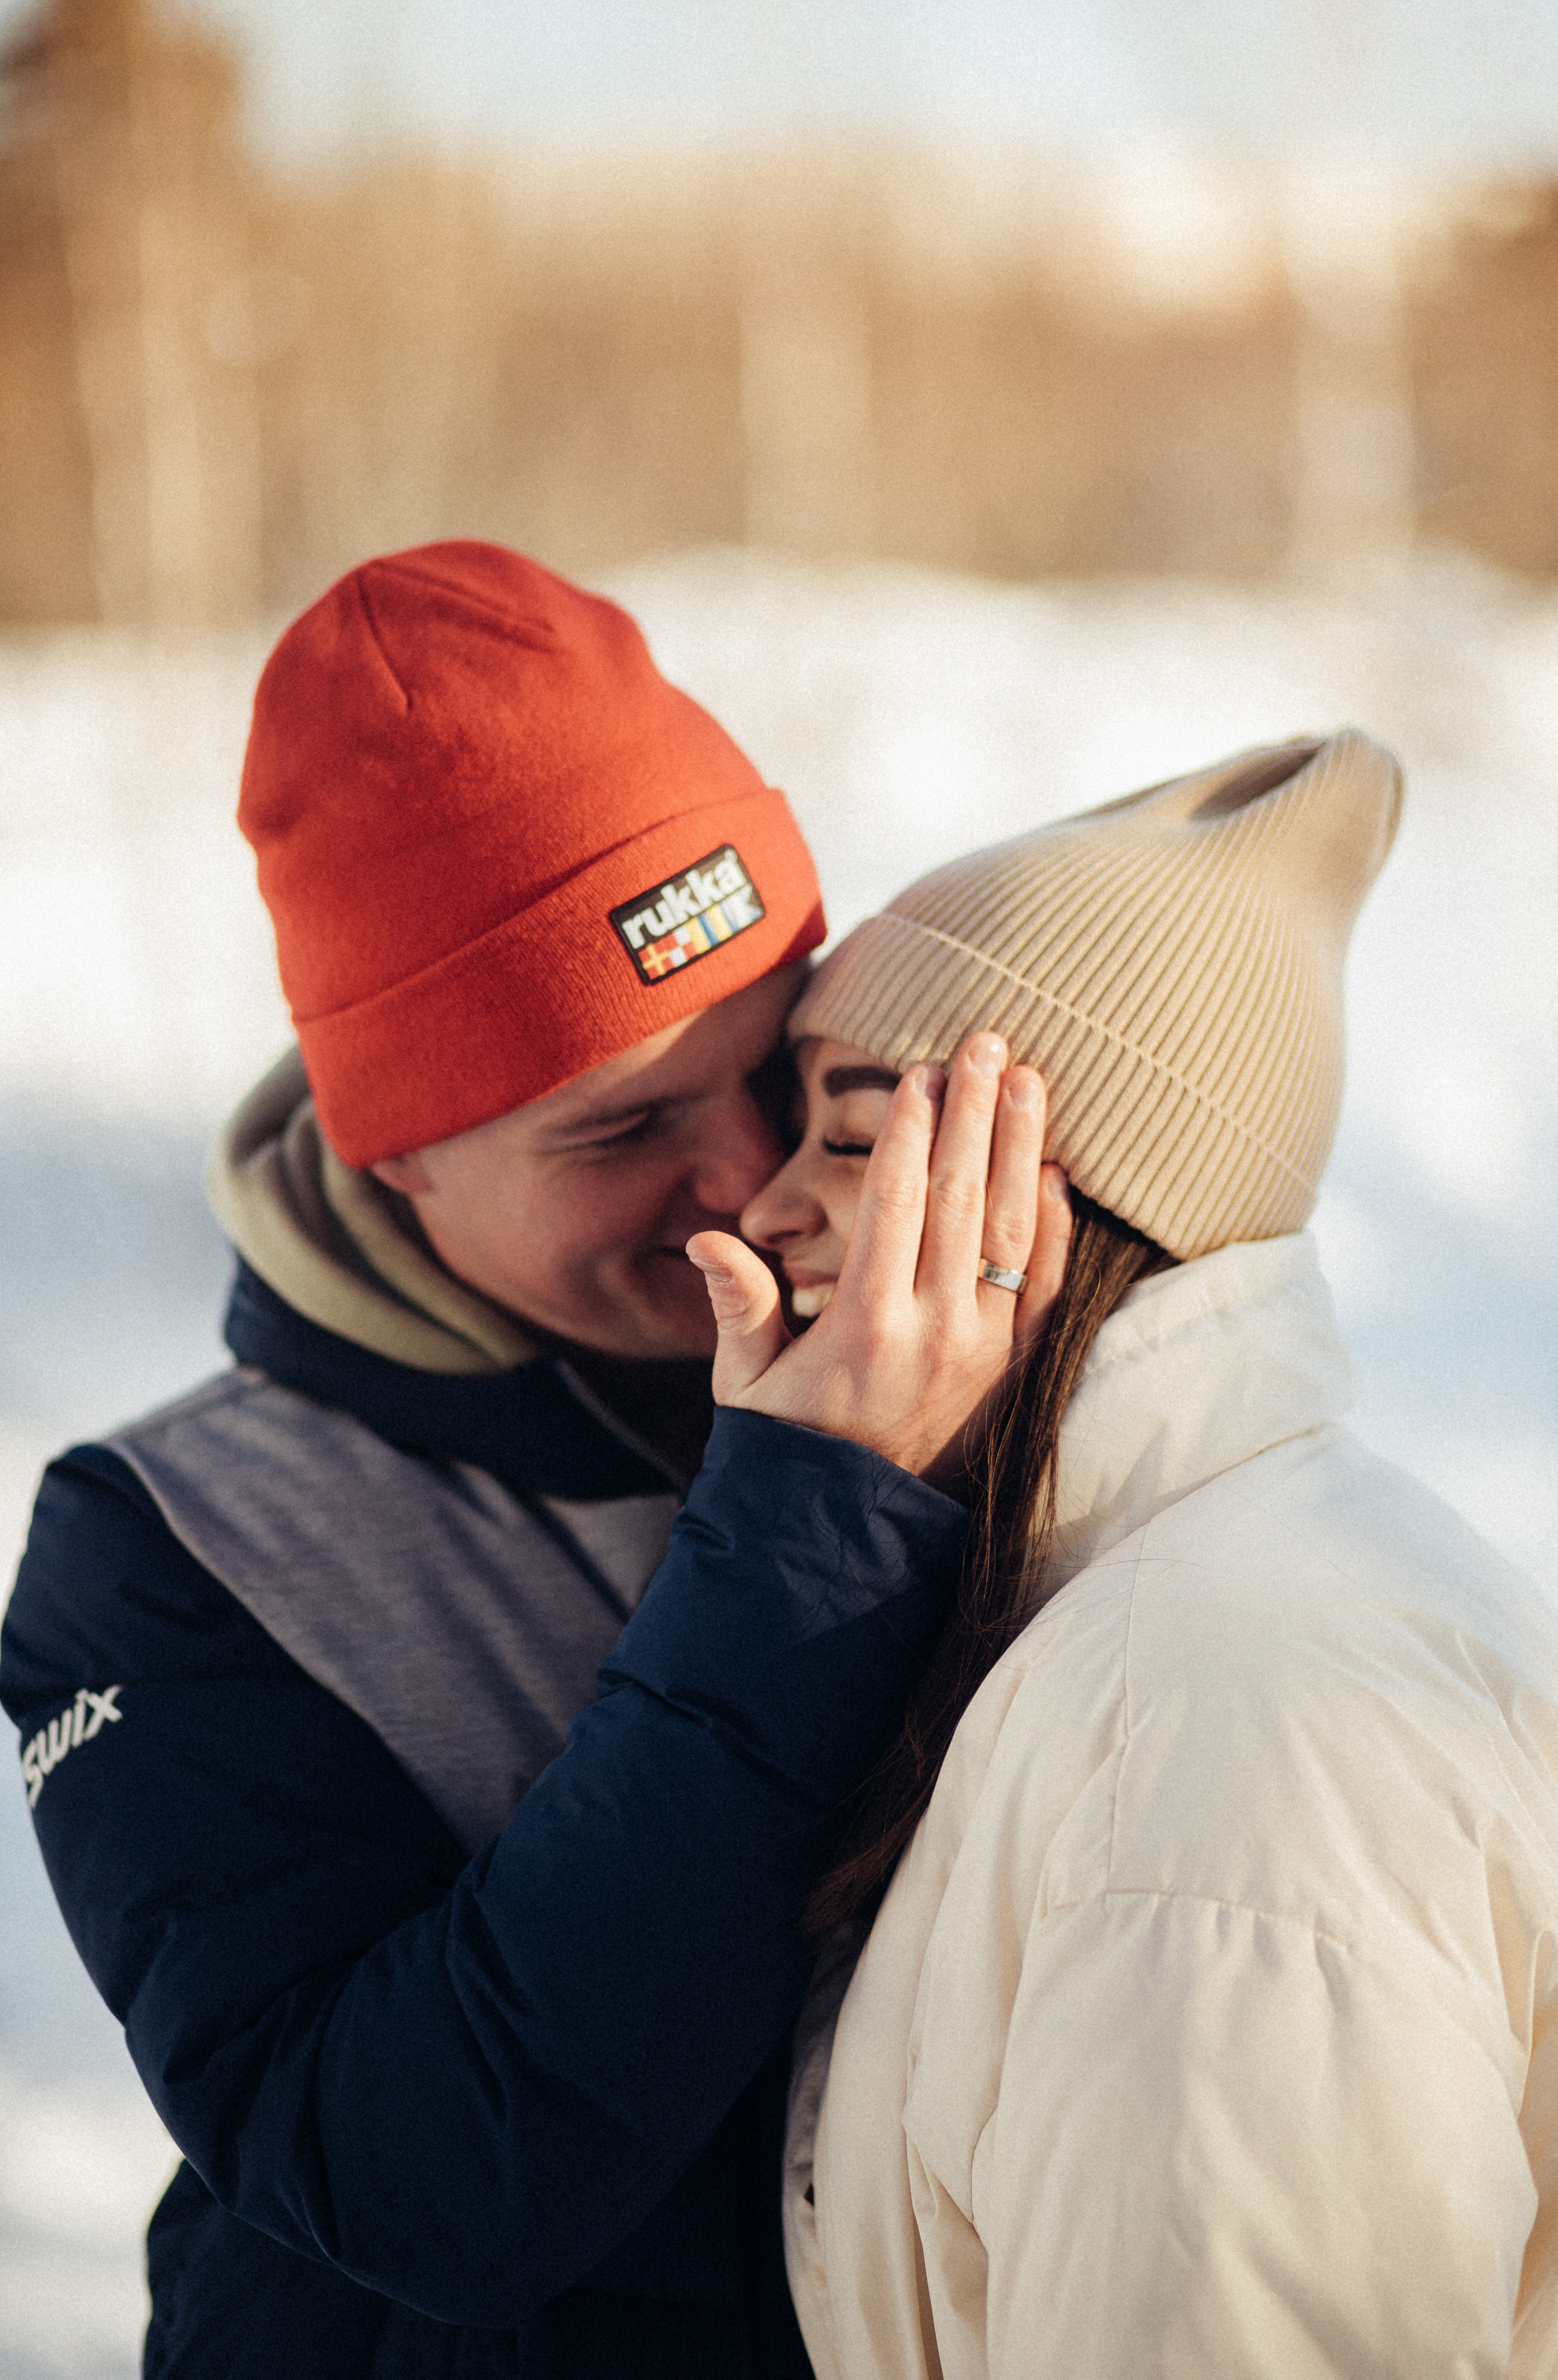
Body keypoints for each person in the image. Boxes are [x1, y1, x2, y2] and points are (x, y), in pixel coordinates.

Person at [0, 540, 1069, 2379]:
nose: (749, 1178)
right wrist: (808, 1537)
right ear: (398, 1152)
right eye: (624, 1128)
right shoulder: (170, 1551)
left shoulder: (923, 1340)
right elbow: (420, 2181)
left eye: (778, 1068)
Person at [687, 728, 1558, 2379]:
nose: (768, 1210)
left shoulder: (1223, 1716)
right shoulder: (1129, 1617)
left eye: (858, 1138)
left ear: (1066, 1195)